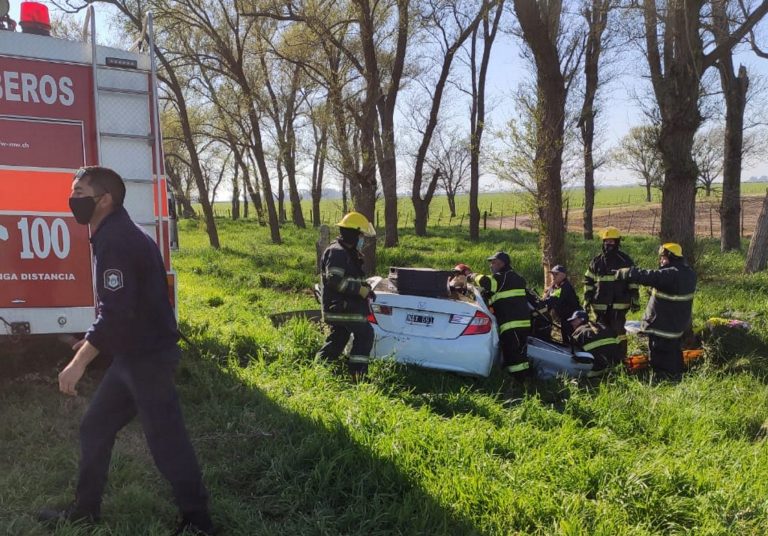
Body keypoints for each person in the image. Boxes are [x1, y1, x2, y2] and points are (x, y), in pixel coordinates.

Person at [38, 167, 213, 535]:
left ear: (104, 200)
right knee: (95, 427)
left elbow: (116, 315)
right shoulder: (114, 233)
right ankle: (86, 511)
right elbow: (118, 313)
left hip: (148, 359)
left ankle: (200, 524)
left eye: (80, 191)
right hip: (132, 357)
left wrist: (77, 363)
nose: (73, 198)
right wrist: (86, 342)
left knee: (166, 442)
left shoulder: (116, 239)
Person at [615, 242, 696, 379]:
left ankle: (663, 381)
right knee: (674, 354)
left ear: (670, 257)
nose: (661, 261)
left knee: (660, 358)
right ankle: (676, 377)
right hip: (675, 327)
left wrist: (628, 273)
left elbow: (650, 276)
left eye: (663, 258)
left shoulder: (670, 274)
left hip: (662, 327)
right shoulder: (689, 274)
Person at [315, 211, 377, 380]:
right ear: (353, 234)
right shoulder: (337, 252)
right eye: (361, 235)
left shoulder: (346, 251)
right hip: (340, 307)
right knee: (365, 334)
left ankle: (320, 369)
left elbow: (348, 278)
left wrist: (365, 287)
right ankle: (357, 376)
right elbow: (335, 280)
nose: (362, 239)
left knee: (339, 338)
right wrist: (359, 290)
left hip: (343, 306)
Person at [469, 252, 532, 378]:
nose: (491, 266)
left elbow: (487, 282)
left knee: (513, 355)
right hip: (518, 323)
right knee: (518, 353)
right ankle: (525, 379)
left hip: (512, 324)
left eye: (494, 262)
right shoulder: (512, 278)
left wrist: (471, 275)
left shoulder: (504, 276)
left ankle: (519, 382)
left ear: (502, 263)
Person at [583, 226, 640, 358]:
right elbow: (588, 282)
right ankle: (605, 359)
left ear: (617, 242)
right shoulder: (596, 262)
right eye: (606, 241)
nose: (608, 244)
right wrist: (587, 301)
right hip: (599, 307)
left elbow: (633, 282)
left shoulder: (625, 260)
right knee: (602, 334)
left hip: (618, 307)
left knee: (619, 333)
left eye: (611, 242)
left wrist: (634, 301)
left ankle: (621, 359)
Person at [567, 310, 623, 376]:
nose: (572, 323)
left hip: (597, 369)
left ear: (581, 319)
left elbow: (571, 353)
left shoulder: (579, 332)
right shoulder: (604, 327)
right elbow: (620, 346)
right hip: (617, 365)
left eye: (574, 320)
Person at [540, 265, 580, 342]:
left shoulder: (565, 287)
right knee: (566, 340)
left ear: (563, 275)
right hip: (565, 318)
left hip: (573, 319)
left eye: (556, 274)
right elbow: (547, 301)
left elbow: (552, 300)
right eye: (552, 274)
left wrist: (541, 304)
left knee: (571, 342)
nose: (553, 276)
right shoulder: (555, 286)